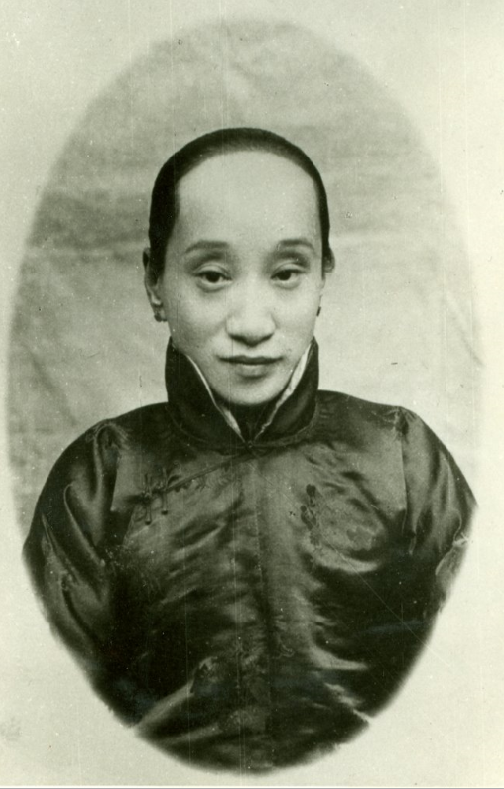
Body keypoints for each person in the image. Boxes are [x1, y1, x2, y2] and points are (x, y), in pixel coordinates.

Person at [24, 127, 474, 773]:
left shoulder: (401, 458)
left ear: (323, 277)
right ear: (155, 282)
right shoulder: (102, 475)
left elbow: (475, 691)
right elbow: (46, 722)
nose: (253, 323)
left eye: (287, 273)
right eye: (212, 276)